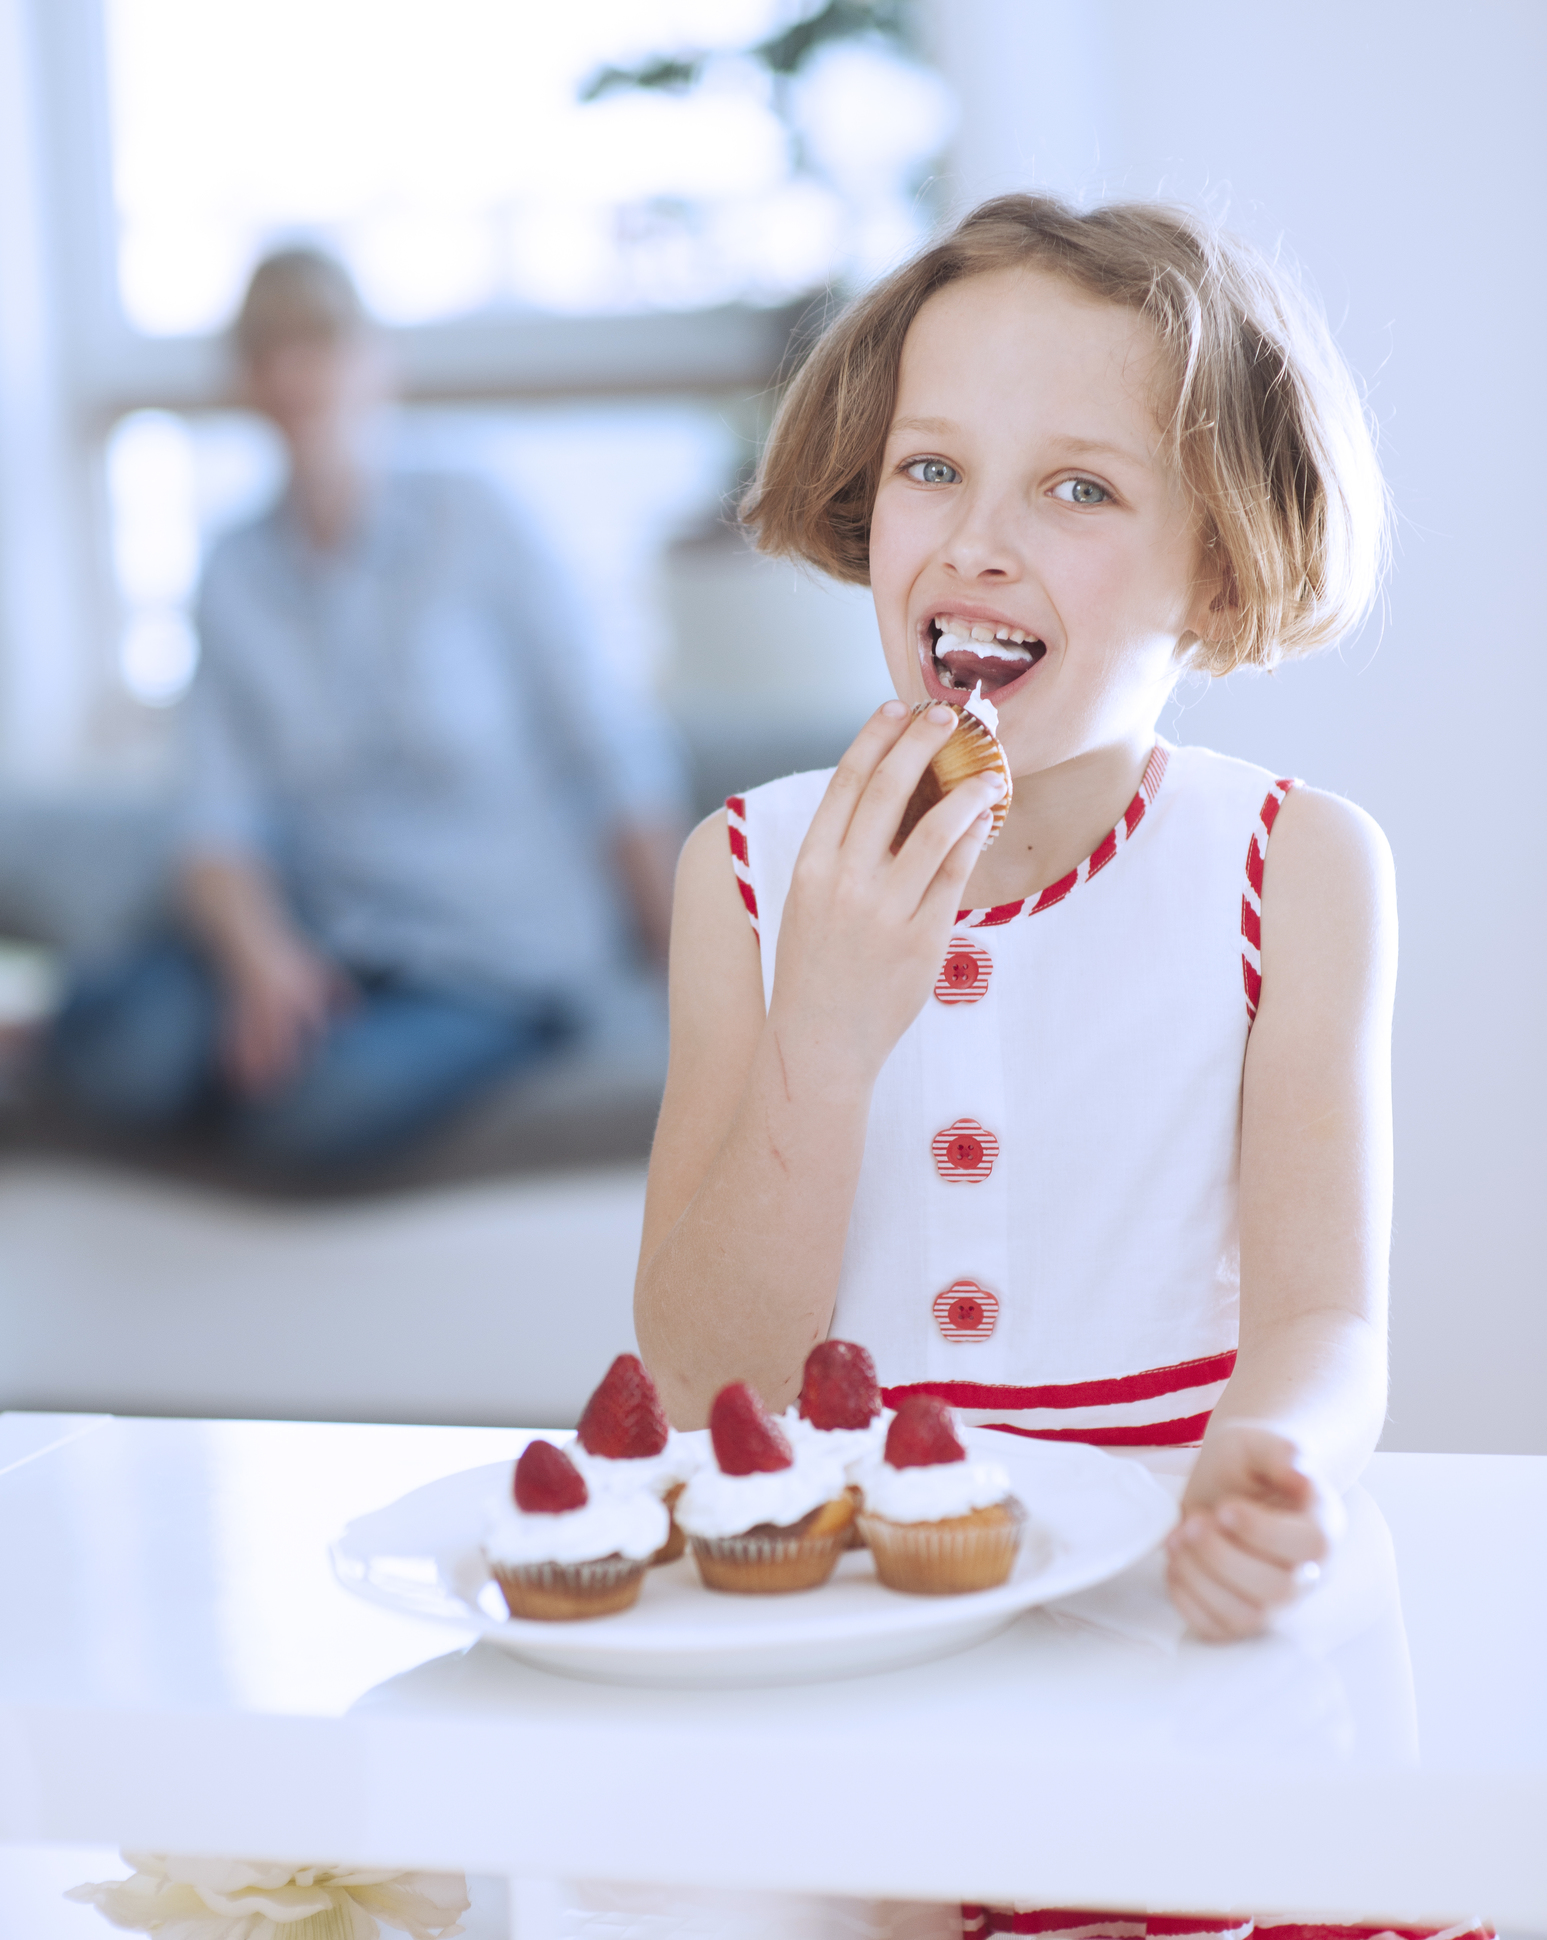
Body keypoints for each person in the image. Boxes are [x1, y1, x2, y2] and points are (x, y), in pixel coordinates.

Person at [634, 195, 1490, 1939]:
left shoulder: (1298, 864)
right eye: (932, 468)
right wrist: (829, 1028)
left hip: (1174, 1608)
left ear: (1225, 565)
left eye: (1080, 488)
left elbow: (1324, 1319)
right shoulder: (741, 871)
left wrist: (1278, 1464)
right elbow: (706, 1367)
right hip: (850, 1624)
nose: (978, 543)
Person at [49, 249, 685, 1171]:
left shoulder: (476, 519)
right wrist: (264, 959)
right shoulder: (232, 570)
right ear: (245, 384)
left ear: (376, 362)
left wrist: (694, 987)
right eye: (268, 352)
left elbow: (614, 755)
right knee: (130, 1060)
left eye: (319, 345)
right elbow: (215, 816)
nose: (296, 375)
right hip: (329, 932)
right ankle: (90, 1016)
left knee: (309, 1110)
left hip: (489, 960)